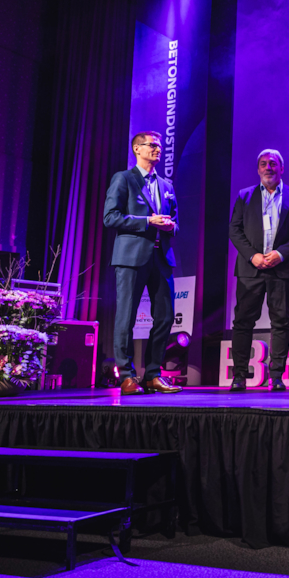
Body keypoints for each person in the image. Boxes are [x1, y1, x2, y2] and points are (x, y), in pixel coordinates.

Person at [103, 130, 183, 396]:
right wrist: (148, 221)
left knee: (166, 317)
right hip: (131, 258)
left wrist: (170, 226)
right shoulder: (124, 179)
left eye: (159, 146)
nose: (157, 149)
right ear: (137, 149)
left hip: (161, 258)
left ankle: (152, 374)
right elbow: (110, 217)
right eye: (152, 145)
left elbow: (176, 223)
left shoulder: (167, 186)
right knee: (126, 317)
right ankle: (127, 376)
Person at [228, 149, 289, 392]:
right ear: (258, 169)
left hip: (282, 269)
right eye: (263, 164)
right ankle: (239, 376)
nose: (268, 168)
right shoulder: (245, 195)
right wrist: (252, 255)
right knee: (243, 322)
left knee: (281, 322)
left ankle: (276, 377)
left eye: (273, 164)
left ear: (281, 168)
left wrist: (281, 254)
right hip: (250, 269)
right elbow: (234, 230)